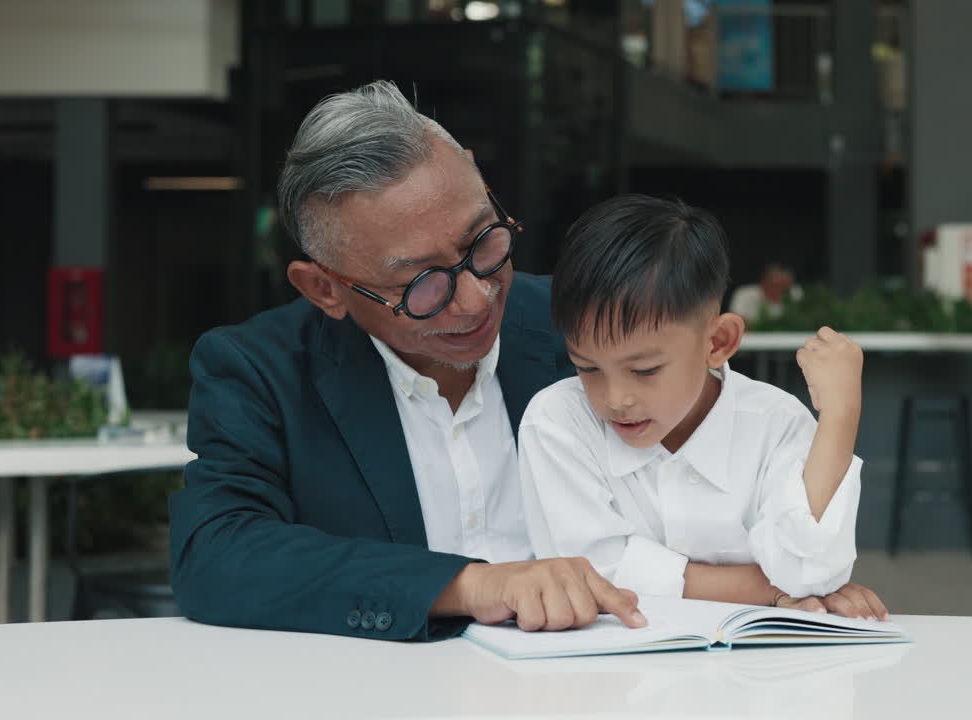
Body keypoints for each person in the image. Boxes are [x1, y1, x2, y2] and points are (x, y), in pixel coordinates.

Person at [169, 80, 647, 641]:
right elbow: (217, 554)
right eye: (422, 285)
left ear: (478, 181)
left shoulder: (587, 323)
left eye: (483, 243)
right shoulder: (261, 370)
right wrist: (469, 585)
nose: (476, 299)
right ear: (325, 289)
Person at [519, 195, 887, 619]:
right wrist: (766, 588)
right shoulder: (559, 420)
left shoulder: (775, 425)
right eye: (587, 368)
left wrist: (841, 414)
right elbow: (587, 573)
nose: (615, 399)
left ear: (718, 342)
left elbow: (807, 571)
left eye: (645, 370)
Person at [728, 260, 804, 325]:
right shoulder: (745, 293)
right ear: (764, 280)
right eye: (777, 285)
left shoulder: (795, 293)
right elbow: (735, 323)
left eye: (784, 286)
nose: (780, 290)